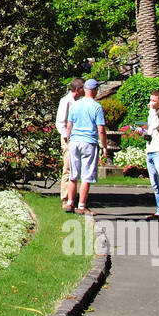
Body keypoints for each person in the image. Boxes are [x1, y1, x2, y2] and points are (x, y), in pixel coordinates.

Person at [64, 77, 107, 214]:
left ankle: (70, 203)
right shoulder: (96, 107)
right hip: (88, 141)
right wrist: (104, 145)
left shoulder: (75, 105)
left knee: (73, 174)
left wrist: (68, 140)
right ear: (94, 91)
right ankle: (81, 206)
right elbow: (100, 128)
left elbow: (69, 125)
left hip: (74, 141)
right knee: (86, 175)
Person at [134, 90, 159, 220]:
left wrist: (151, 110)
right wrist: (142, 132)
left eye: (154, 101)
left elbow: (157, 124)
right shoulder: (153, 113)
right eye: (150, 100)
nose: (150, 103)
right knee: (155, 184)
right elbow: (152, 131)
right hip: (151, 150)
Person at [55, 78, 84, 211]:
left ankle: (72, 198)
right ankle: (65, 198)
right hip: (69, 139)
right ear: (78, 89)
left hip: (78, 138)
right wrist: (65, 136)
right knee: (67, 168)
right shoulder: (66, 101)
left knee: (75, 168)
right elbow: (60, 121)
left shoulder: (80, 102)